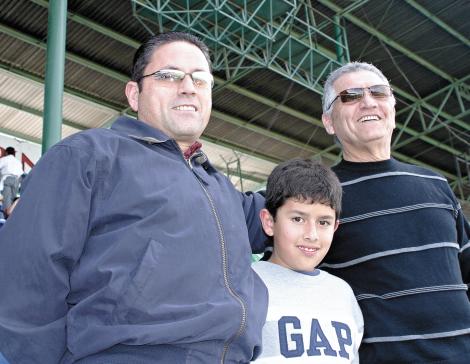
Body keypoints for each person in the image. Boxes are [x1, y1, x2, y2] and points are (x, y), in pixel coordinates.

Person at [0, 32, 268, 364]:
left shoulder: (222, 190)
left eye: (201, 80)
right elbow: (27, 274)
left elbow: (296, 210)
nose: (188, 87)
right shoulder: (90, 155)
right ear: (134, 93)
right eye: (169, 76)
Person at [320, 61, 470, 363]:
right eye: (350, 96)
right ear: (329, 122)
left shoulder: (435, 183)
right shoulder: (319, 194)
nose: (368, 102)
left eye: (379, 92)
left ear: (392, 109)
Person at [252, 158, 363, 363]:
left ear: (335, 227)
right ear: (269, 222)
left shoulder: (343, 294)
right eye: (298, 219)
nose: (311, 234)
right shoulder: (245, 286)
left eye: (323, 222)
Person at [0, 146, 23, 211]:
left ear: (6, 152)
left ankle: (6, 216)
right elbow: (21, 173)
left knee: (7, 199)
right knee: (12, 199)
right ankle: (10, 214)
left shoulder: (4, 159)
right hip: (17, 180)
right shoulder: (18, 162)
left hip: (8, 179)